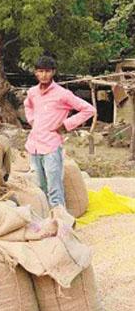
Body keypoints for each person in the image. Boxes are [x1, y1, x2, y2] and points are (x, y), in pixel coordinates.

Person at [24, 56, 96, 208]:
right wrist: (31, 121)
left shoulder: (63, 94)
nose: (44, 75)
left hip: (51, 145)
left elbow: (89, 109)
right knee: (40, 187)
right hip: (34, 145)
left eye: (47, 71)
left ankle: (61, 222)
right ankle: (46, 221)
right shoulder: (32, 92)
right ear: (36, 73)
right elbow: (28, 106)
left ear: (53, 72)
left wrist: (66, 125)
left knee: (54, 187)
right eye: (40, 71)